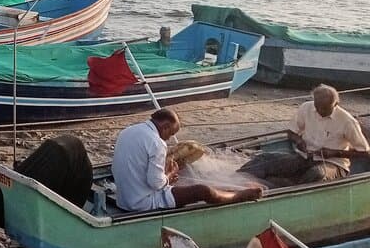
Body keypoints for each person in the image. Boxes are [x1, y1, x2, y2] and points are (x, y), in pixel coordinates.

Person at [112, 108, 263, 212]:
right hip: (142, 203)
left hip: (123, 199)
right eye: (171, 133)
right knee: (202, 190)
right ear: (164, 126)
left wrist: (165, 177)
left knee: (185, 186)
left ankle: (230, 192)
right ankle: (238, 196)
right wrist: (170, 175)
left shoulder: (128, 131)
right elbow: (155, 183)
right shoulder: (156, 143)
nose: (169, 138)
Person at [241, 85, 369, 186]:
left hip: (334, 164)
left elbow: (365, 152)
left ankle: (288, 190)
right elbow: (291, 132)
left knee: (316, 174)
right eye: (317, 107)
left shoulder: (347, 121)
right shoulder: (306, 108)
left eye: (325, 109)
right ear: (314, 101)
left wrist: (335, 153)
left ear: (336, 104)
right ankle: (240, 179)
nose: (320, 112)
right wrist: (298, 141)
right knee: (265, 160)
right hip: (305, 157)